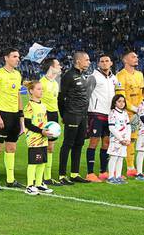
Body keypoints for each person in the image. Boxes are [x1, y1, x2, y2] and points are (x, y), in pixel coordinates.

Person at [0, 49, 23, 190]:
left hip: (14, 115)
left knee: (11, 147)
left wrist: (21, 116)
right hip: (2, 114)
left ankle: (10, 179)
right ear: (6, 58)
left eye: (18, 57)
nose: (17, 59)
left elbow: (18, 95)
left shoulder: (18, 74)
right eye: (14, 56)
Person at [58, 52, 92, 183]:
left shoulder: (82, 75)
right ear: (78, 61)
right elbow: (61, 98)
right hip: (72, 115)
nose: (89, 62)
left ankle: (74, 173)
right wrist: (64, 115)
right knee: (68, 144)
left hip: (83, 116)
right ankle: (62, 175)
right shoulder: (69, 75)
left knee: (79, 143)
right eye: (87, 60)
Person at [85, 53, 118, 181]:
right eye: (102, 61)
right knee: (94, 142)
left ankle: (103, 171)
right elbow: (87, 95)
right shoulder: (93, 77)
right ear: (98, 64)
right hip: (96, 113)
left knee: (107, 143)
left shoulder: (114, 79)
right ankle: (90, 173)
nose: (104, 63)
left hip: (109, 115)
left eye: (107, 61)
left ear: (111, 63)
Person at [115, 50, 144, 176]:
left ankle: (130, 166)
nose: (136, 58)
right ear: (125, 60)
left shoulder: (140, 74)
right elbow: (120, 96)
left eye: (137, 56)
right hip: (125, 113)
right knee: (124, 140)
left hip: (137, 113)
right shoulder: (120, 75)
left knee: (133, 140)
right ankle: (124, 166)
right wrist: (133, 108)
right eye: (133, 57)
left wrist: (141, 108)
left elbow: (142, 93)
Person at [21, 80, 52, 195]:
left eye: (41, 89)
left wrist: (49, 130)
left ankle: (39, 183)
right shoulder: (29, 106)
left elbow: (44, 122)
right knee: (33, 162)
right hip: (34, 139)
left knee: (42, 161)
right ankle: (29, 185)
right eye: (38, 89)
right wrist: (41, 131)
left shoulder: (43, 105)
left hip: (43, 138)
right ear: (31, 91)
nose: (41, 91)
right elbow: (28, 124)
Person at [40, 57, 62, 185]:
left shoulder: (55, 83)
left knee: (51, 147)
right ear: (51, 67)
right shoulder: (42, 83)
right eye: (58, 65)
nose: (60, 67)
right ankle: (40, 175)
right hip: (45, 115)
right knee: (42, 145)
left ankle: (47, 177)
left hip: (54, 115)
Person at [106, 94, 131, 185]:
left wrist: (127, 138)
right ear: (114, 102)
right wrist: (120, 138)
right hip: (116, 140)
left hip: (124, 140)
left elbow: (128, 126)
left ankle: (118, 176)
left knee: (120, 158)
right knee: (114, 157)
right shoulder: (112, 113)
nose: (121, 103)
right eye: (119, 101)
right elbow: (111, 128)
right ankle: (111, 177)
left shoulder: (124, 113)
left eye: (123, 101)